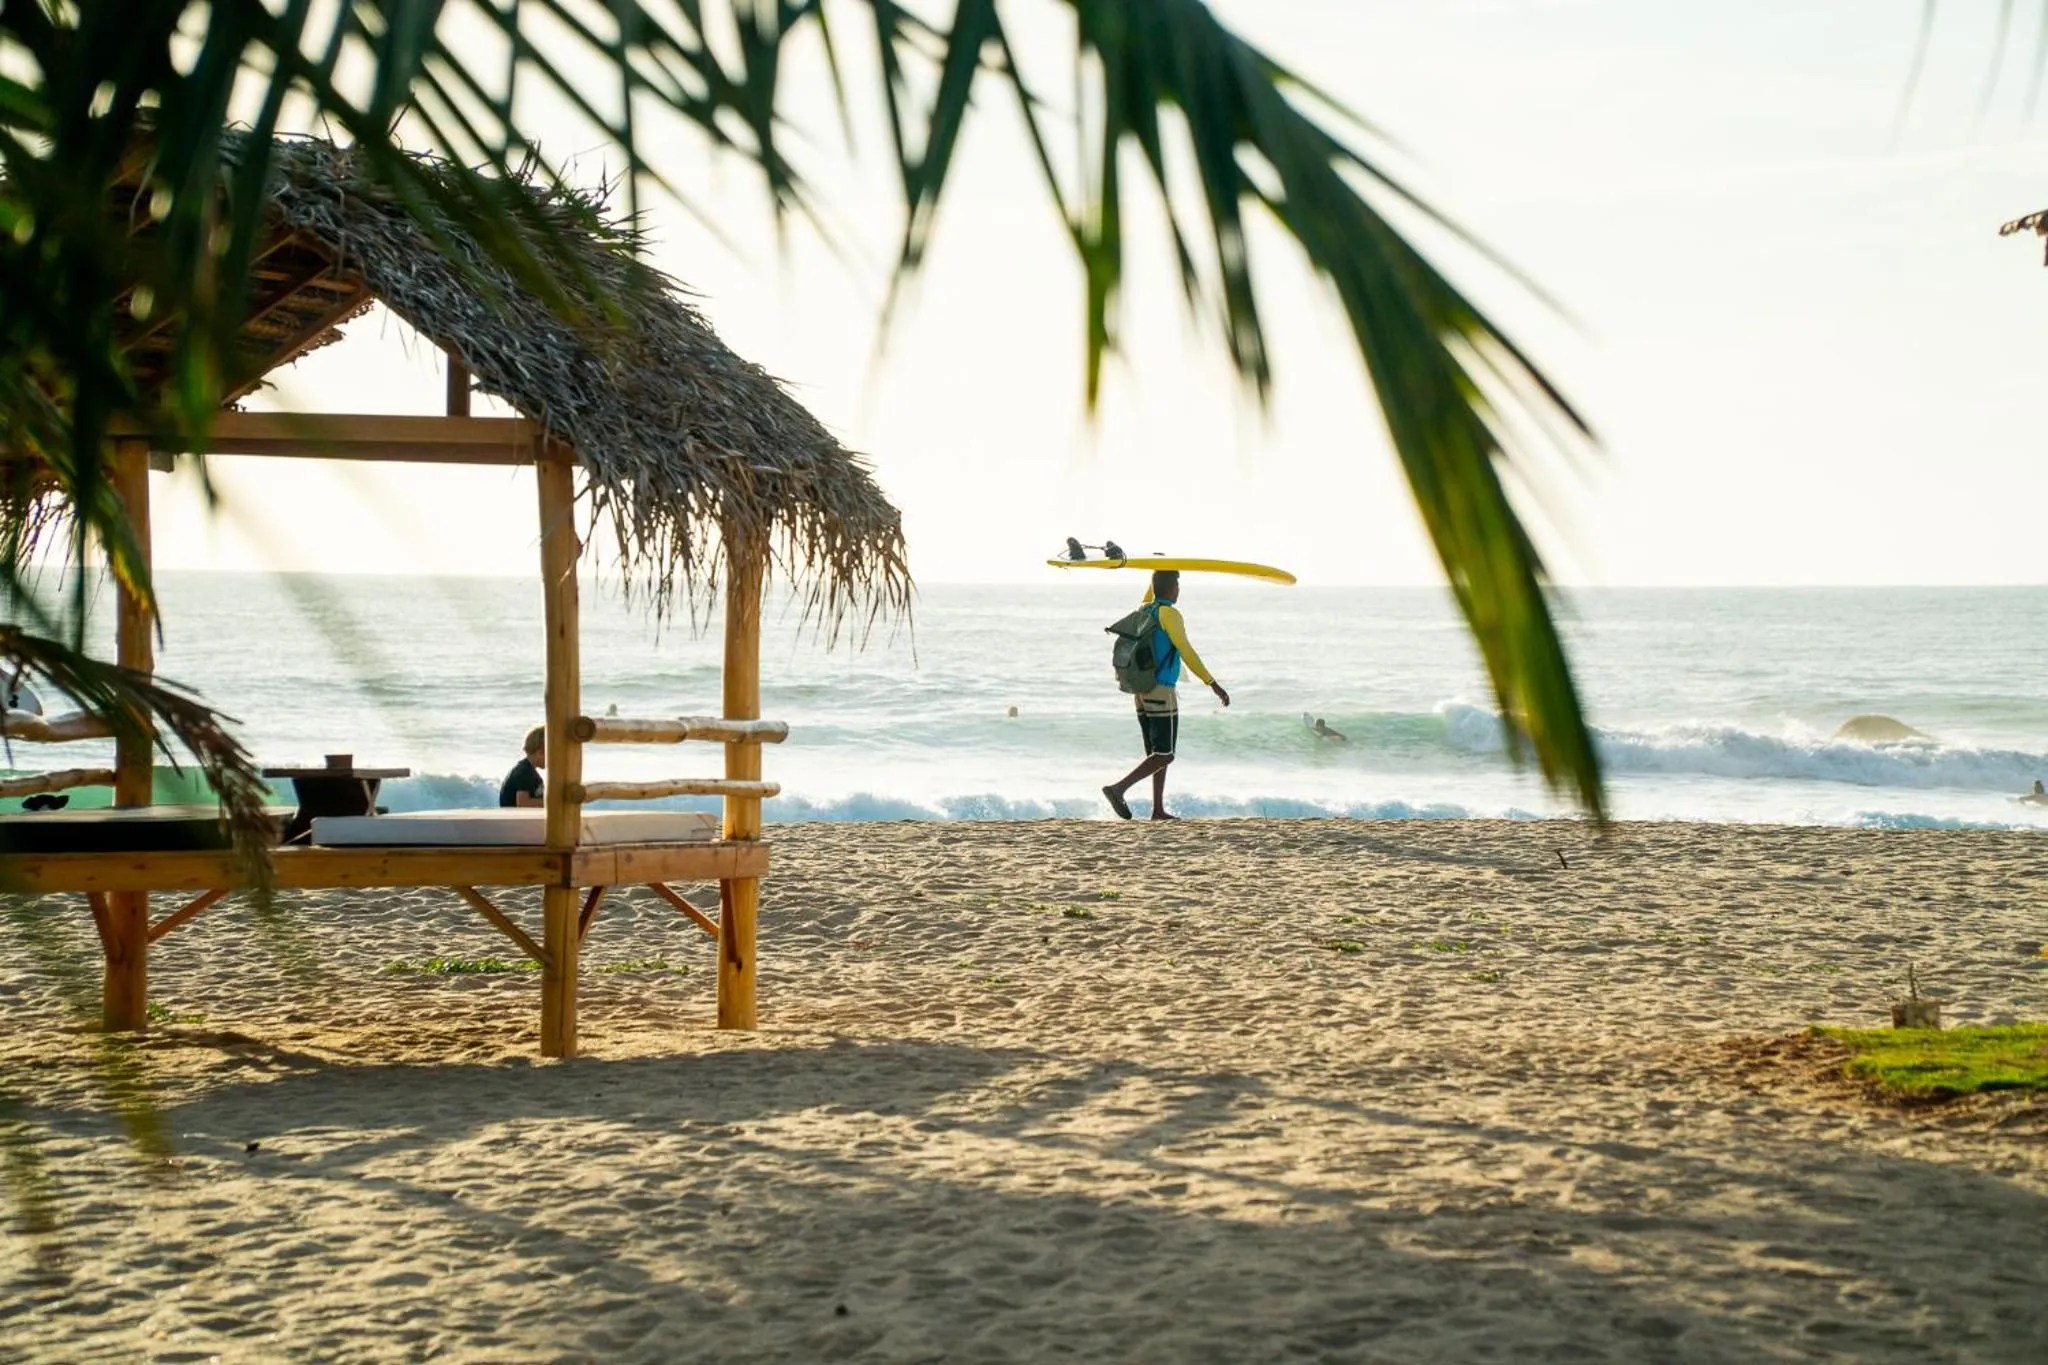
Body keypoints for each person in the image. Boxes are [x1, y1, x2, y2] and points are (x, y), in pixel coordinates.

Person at [1103, 570, 1228, 820]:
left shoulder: (1145, 609)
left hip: (1140, 689)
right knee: (1165, 754)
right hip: (1160, 689)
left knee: (1156, 755)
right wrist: (1212, 683)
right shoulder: (1170, 614)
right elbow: (1187, 651)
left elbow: (1152, 590)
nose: (1179, 590)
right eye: (1177, 586)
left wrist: (1158, 570)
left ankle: (1157, 810)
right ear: (1172, 589)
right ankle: (1117, 789)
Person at [499, 725, 546, 808]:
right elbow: (523, 803)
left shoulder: (529, 770)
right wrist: (552, 802)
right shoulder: (524, 772)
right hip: (514, 819)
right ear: (541, 752)